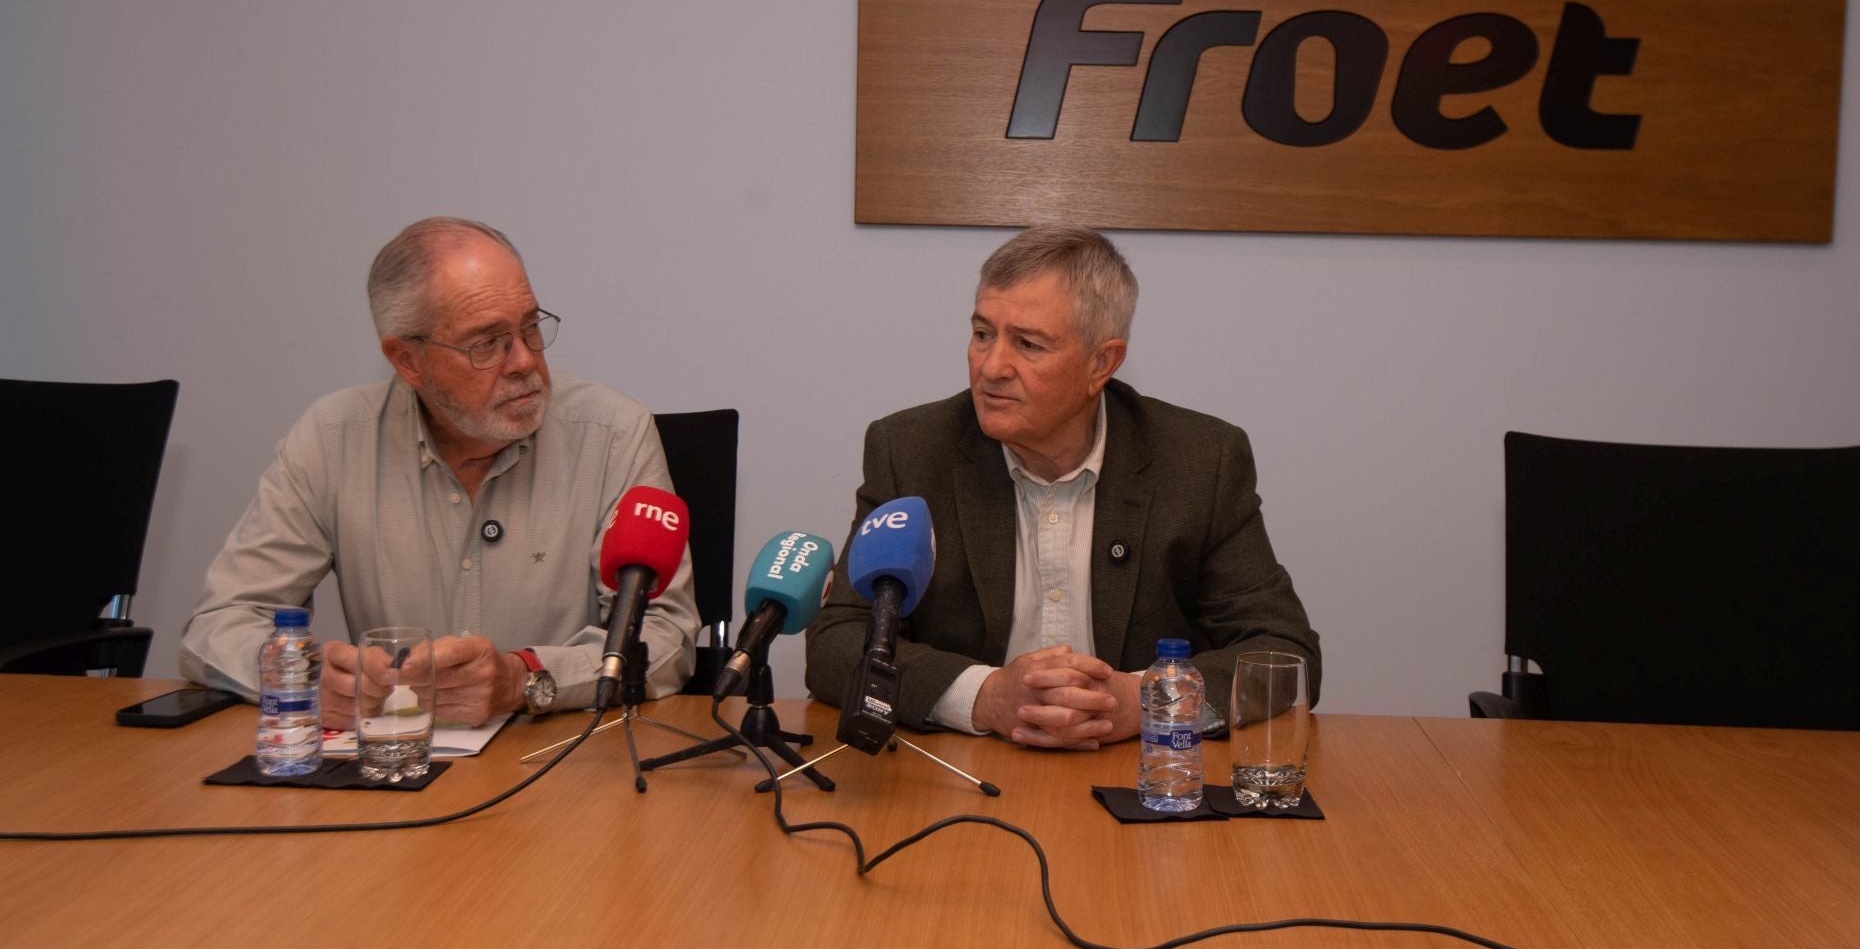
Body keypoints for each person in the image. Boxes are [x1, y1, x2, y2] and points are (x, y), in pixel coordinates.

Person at [805, 223, 1319, 750]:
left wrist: (1147, 700)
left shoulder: (1199, 461)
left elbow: (1285, 652)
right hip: (965, 769)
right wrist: (986, 697)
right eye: (983, 334)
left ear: (1102, 362)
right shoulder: (911, 450)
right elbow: (838, 642)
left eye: (1028, 344)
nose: (991, 367)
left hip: (1142, 777)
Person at [181, 217, 696, 726]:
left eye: (531, 327)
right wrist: (304, 677)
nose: (523, 361)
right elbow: (220, 624)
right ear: (407, 361)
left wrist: (526, 679)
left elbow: (666, 632)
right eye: (486, 343)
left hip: (557, 764)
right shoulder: (333, 439)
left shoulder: (612, 434)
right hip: (394, 761)